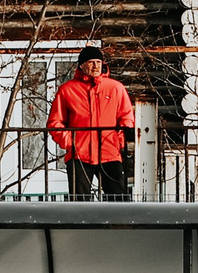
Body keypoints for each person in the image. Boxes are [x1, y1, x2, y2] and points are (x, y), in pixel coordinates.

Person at [45, 45, 136, 200]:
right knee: (80, 202)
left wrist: (119, 139)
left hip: (110, 152)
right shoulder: (67, 90)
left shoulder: (115, 88)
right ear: (81, 65)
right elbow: (55, 122)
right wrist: (70, 142)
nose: (96, 66)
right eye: (91, 62)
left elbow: (127, 117)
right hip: (79, 154)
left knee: (118, 199)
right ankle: (83, 225)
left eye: (98, 62)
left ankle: (118, 225)